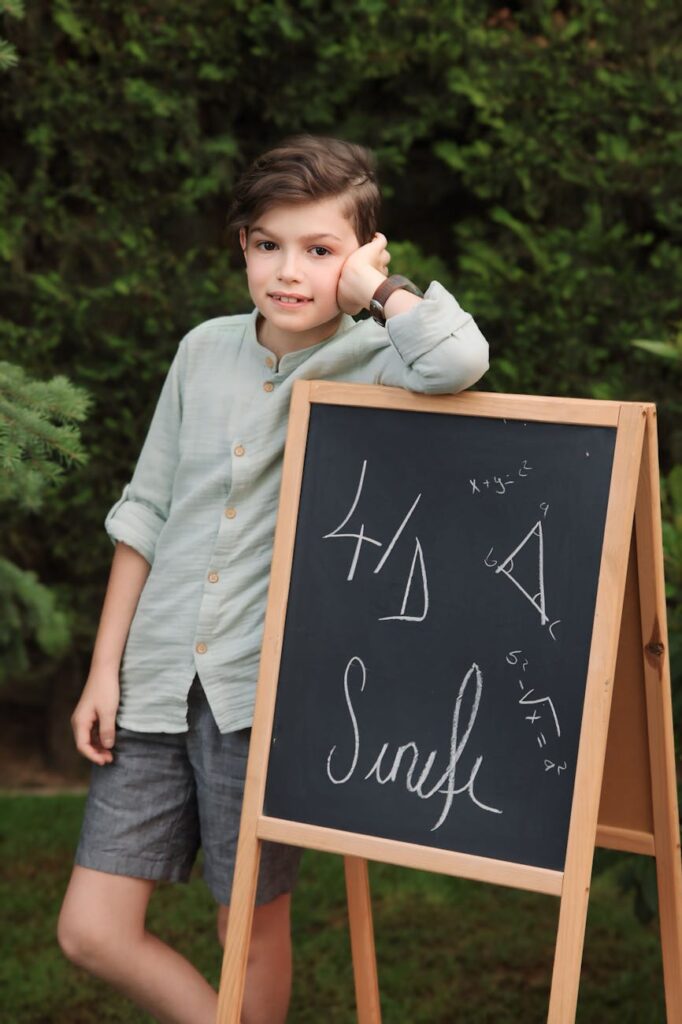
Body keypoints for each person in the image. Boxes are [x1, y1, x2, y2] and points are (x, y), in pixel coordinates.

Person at [57, 135, 489, 1024]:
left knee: (246, 930)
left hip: (262, 697)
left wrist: (379, 293)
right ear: (242, 247)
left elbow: (459, 360)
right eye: (267, 244)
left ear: (363, 256)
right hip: (153, 682)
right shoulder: (202, 351)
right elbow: (144, 514)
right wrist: (106, 668)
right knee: (91, 929)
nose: (288, 272)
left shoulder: (379, 362)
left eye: (320, 250)